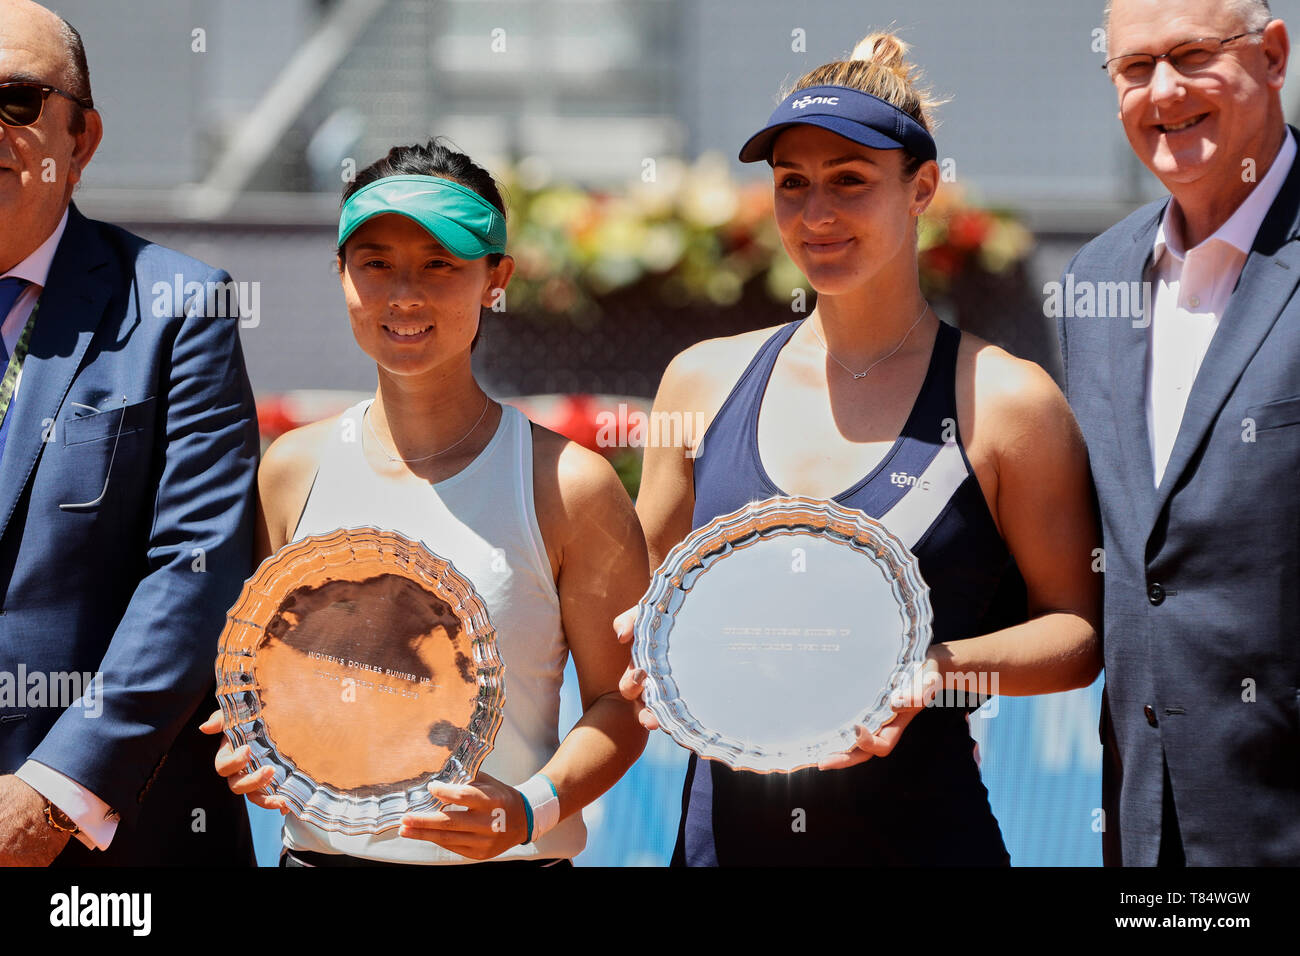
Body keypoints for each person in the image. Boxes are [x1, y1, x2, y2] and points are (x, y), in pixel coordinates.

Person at [618, 32, 1103, 866]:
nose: (817, 215)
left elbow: (1078, 636)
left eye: (850, 182)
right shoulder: (698, 383)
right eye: (791, 185)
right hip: (720, 842)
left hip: (924, 839)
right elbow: (649, 601)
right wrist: (642, 651)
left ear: (922, 189)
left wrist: (929, 672)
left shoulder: (1009, 400)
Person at [204, 139, 649, 866]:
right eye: (375, 263)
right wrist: (250, 741)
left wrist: (528, 809)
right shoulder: (291, 471)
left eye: (439, 264)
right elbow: (264, 678)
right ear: (342, 275)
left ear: (495, 278)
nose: (404, 294)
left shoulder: (569, 483)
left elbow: (625, 701)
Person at [0, 1, 259, 865]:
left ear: (82, 138)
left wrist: (57, 790)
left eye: (17, 100)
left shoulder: (180, 309)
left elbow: (195, 571)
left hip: (103, 845)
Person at [1060, 0, 1300, 865]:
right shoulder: (1094, 282)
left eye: (1194, 54)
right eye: (1133, 68)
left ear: (1273, 56)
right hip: (1147, 827)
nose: (1163, 91)